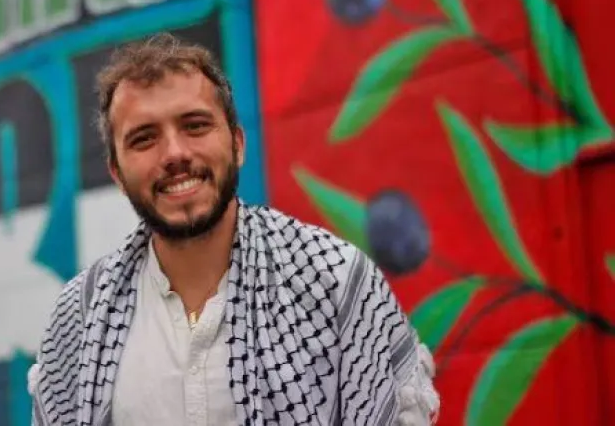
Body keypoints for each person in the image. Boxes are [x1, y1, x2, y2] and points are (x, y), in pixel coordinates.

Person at [28, 33, 439, 425]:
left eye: (195, 126)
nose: (174, 153)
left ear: (237, 144)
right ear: (117, 174)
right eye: (144, 139)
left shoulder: (335, 282)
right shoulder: (81, 315)